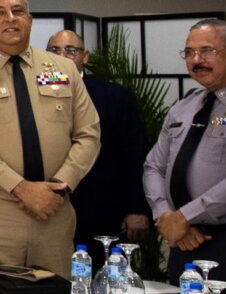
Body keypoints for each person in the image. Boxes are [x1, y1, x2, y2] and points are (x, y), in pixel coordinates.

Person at [0, 0, 100, 272]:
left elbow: (89, 133)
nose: (10, 19)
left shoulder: (63, 69)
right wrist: (21, 188)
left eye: (18, 11)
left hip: (54, 211)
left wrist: (60, 184)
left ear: (30, 19)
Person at [142, 21, 226, 294]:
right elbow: (153, 166)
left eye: (207, 51)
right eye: (189, 53)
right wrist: (166, 216)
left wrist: (186, 215)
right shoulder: (185, 105)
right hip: (181, 242)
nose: (196, 60)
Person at [48, 29, 150, 243]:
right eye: (54, 50)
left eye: (70, 50)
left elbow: (135, 154)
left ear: (85, 57)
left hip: (104, 210)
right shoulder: (34, 93)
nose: (62, 56)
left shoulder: (114, 96)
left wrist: (137, 208)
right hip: (50, 209)